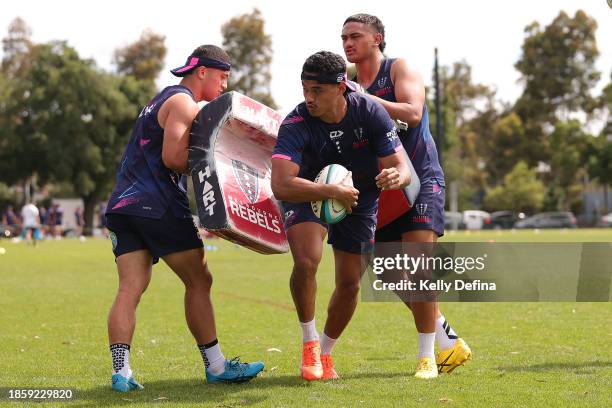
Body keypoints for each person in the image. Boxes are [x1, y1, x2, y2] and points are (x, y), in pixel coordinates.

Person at [104, 45, 264, 392]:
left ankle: (121, 372)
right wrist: (223, 166)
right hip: (156, 204)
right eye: (222, 77)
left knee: (130, 287)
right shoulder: (183, 103)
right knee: (199, 280)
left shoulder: (160, 99)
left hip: (122, 206)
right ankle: (217, 366)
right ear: (202, 72)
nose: (224, 86)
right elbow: (174, 157)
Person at [342, 14, 472, 379]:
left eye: (355, 36)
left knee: (418, 269)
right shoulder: (348, 86)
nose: (348, 43)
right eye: (344, 38)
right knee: (388, 271)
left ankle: (427, 358)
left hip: (420, 181)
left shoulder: (399, 68)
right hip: (382, 188)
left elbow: (413, 114)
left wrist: (363, 100)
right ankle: (447, 337)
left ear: (377, 39)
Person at [271, 51, 411, 381]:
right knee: (307, 260)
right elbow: (281, 184)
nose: (308, 98)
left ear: (340, 86)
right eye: (304, 88)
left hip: (360, 199)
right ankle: (308, 344)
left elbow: (401, 166)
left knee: (349, 285)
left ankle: (325, 352)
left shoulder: (371, 112)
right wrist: (331, 191)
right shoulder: (295, 122)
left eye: (317, 90)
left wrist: (396, 177)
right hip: (305, 192)